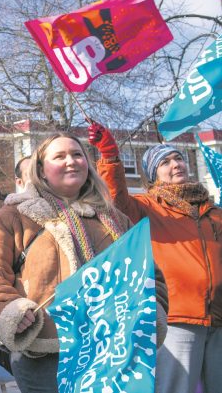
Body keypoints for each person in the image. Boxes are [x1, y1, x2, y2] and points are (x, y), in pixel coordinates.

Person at [0, 133, 168, 393]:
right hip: (45, 351)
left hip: (112, 350)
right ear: (40, 169)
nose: (71, 161)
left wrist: (152, 311)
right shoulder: (14, 216)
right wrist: (10, 309)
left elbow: (150, 273)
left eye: (77, 154)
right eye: (59, 156)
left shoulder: (116, 220)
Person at [89, 122, 222, 393]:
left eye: (178, 158)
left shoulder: (214, 212)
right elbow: (114, 197)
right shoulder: (146, 208)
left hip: (219, 319)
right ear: (153, 174)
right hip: (177, 318)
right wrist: (110, 155)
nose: (175, 164)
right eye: (165, 162)